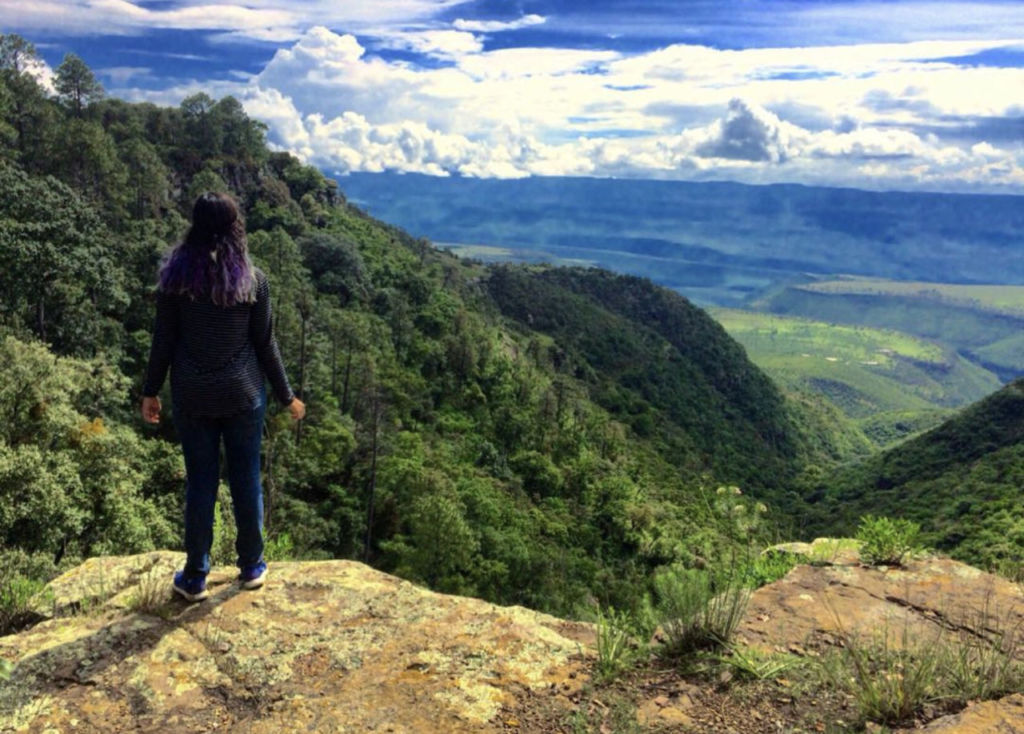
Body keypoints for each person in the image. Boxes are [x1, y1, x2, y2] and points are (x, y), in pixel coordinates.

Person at [141, 192, 305, 602]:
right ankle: (251, 566)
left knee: (201, 482)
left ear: (194, 227)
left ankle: (195, 574)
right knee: (246, 476)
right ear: (236, 230)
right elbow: (266, 345)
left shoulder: (175, 282)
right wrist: (287, 396)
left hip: (193, 396)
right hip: (243, 394)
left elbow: (163, 340)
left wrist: (150, 392)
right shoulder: (253, 280)